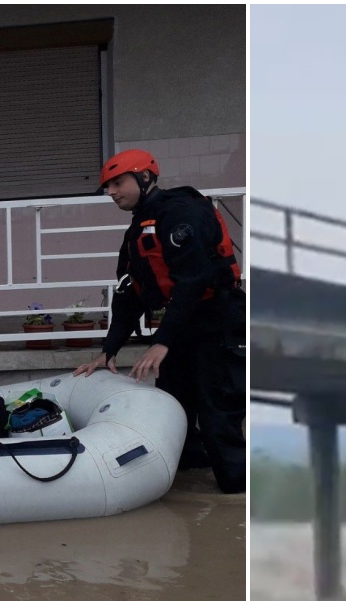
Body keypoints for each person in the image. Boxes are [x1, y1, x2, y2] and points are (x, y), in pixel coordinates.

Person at [70, 149, 244, 493]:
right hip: (182, 325)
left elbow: (194, 280)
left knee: (216, 412)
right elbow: (129, 292)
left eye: (118, 182)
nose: (111, 192)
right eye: (107, 186)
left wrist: (162, 341)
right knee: (173, 406)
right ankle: (190, 481)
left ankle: (238, 495)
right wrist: (109, 349)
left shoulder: (183, 212)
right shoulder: (137, 232)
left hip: (217, 319)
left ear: (145, 177)